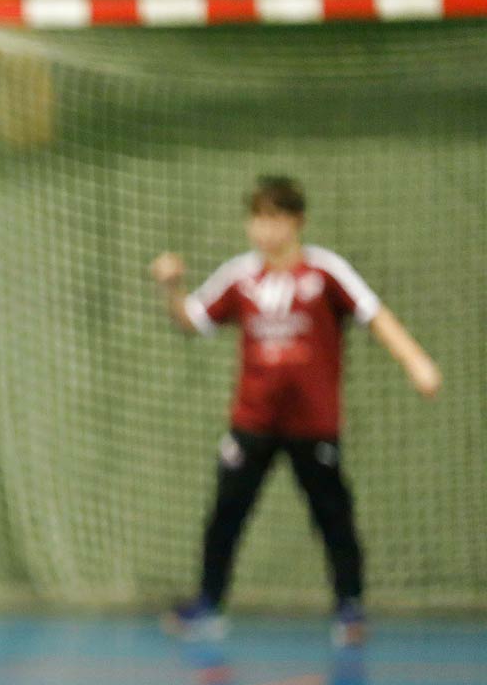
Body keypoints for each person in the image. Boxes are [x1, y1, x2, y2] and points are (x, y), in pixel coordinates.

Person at [150, 175, 441, 646]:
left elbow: (374, 314)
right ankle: (208, 604)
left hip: (314, 425)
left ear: (296, 221)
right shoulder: (239, 276)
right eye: (257, 218)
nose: (265, 230)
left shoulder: (325, 272)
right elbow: (192, 319)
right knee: (226, 512)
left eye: (275, 218)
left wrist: (416, 361)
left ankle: (349, 607)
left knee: (333, 515)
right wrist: (172, 287)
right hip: (253, 422)